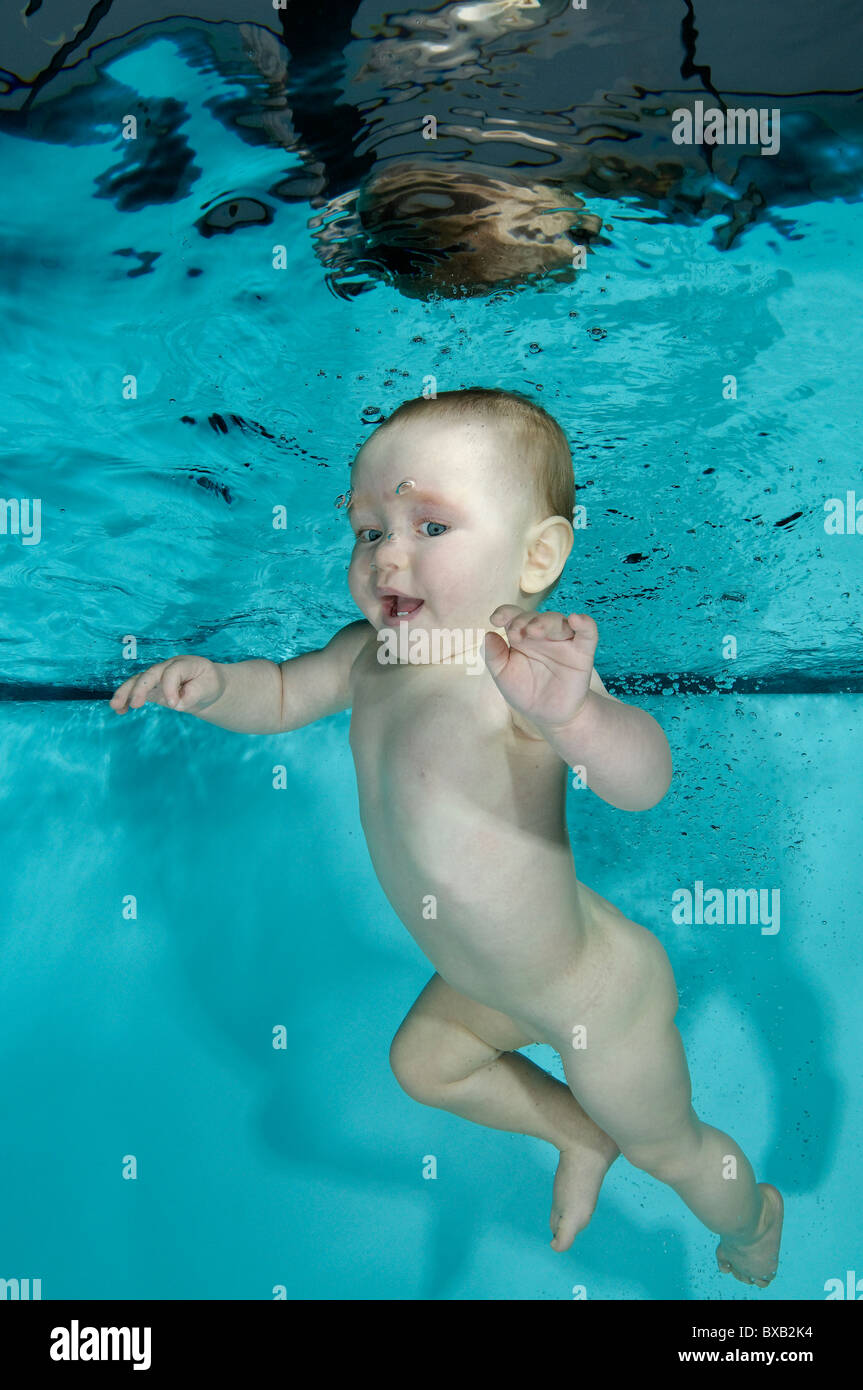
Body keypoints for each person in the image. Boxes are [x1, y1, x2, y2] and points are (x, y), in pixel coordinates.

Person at [109, 386, 783, 1285]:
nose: (387, 556)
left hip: (591, 996)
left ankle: (752, 1216)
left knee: (668, 1149)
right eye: (367, 531)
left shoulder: (522, 679)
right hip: (481, 982)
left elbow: (642, 781)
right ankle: (574, 1132)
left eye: (429, 526)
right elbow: (280, 693)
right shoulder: (365, 656)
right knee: (423, 1065)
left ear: (536, 555)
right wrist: (217, 685)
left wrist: (577, 718)